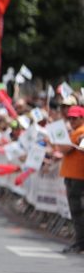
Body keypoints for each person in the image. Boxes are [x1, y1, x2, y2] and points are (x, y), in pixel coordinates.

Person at [55, 105, 84, 253]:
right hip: (72, 176)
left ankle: (80, 243)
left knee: (78, 210)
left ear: (82, 118)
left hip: (78, 177)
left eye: (74, 118)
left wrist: (60, 137)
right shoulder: (75, 132)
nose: (71, 120)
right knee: (76, 211)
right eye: (70, 118)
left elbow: (64, 149)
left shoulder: (81, 131)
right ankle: (79, 241)